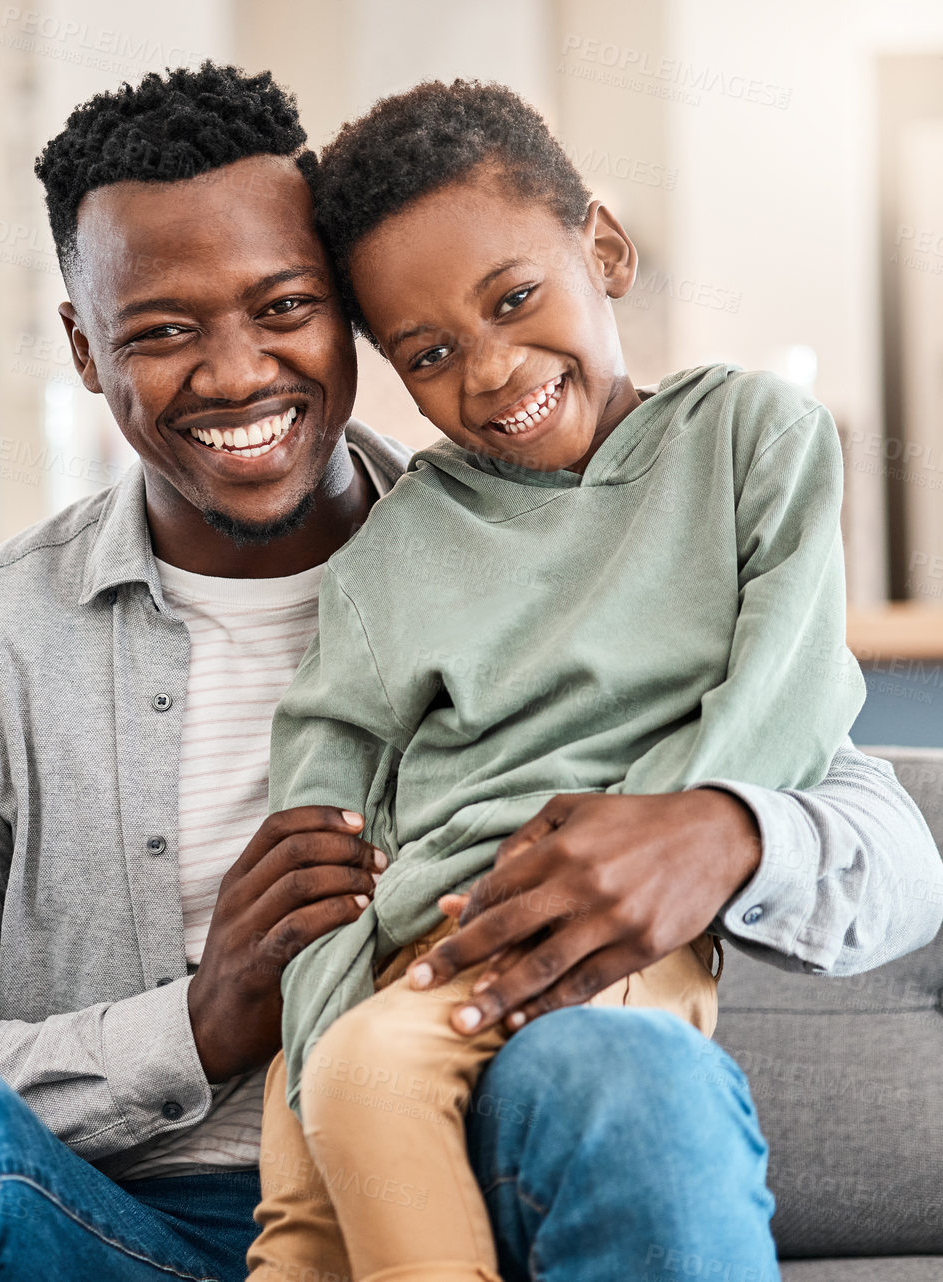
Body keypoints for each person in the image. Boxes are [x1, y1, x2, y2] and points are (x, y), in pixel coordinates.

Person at [0, 64, 943, 1282]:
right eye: (160, 330)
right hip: (108, 1229)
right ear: (84, 350)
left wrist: (722, 829)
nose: (235, 373)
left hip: (467, 1191)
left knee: (633, 1068)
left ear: (350, 314)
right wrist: (195, 1029)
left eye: (283, 307)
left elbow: (892, 858)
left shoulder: (558, 541)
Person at [246, 79, 866, 1282]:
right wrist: (317, 1023)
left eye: (515, 298)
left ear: (606, 251)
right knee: (306, 1200)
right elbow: (322, 786)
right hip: (406, 946)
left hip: (606, 920)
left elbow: (787, 690)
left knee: (368, 1079)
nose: (489, 370)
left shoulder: (753, 440)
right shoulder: (393, 552)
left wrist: (652, 842)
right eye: (429, 353)